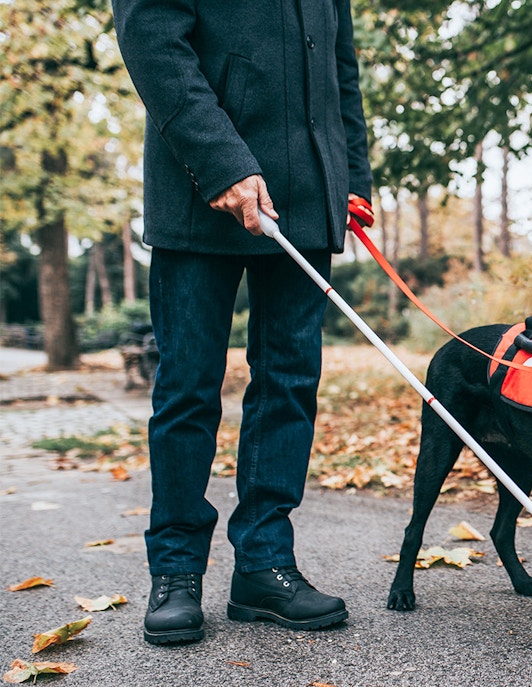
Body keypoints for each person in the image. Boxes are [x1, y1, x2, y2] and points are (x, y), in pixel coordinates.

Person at [111, 1, 374, 645]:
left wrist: (353, 180)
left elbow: (340, 69)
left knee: (288, 383)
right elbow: (152, 40)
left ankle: (264, 566)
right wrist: (223, 162)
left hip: (310, 200)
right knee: (189, 388)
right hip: (199, 190)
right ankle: (175, 571)